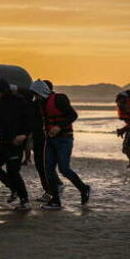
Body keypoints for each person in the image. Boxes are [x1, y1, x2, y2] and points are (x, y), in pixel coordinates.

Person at [30, 80, 91, 210]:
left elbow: (73, 115)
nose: (36, 97)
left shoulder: (60, 99)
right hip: (49, 140)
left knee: (64, 169)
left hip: (64, 139)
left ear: (42, 91)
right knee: (48, 169)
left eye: (36, 94)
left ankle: (84, 188)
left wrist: (59, 127)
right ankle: (55, 201)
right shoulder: (39, 104)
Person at [0, 79, 32, 211]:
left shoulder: (19, 101)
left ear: (5, 91)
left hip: (16, 143)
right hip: (2, 142)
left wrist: (23, 134)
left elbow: (29, 120)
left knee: (13, 171)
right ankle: (14, 188)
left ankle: (24, 200)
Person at [116, 91, 130, 168]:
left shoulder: (129, 108)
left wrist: (122, 130)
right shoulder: (129, 107)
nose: (119, 103)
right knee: (126, 148)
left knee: (125, 147)